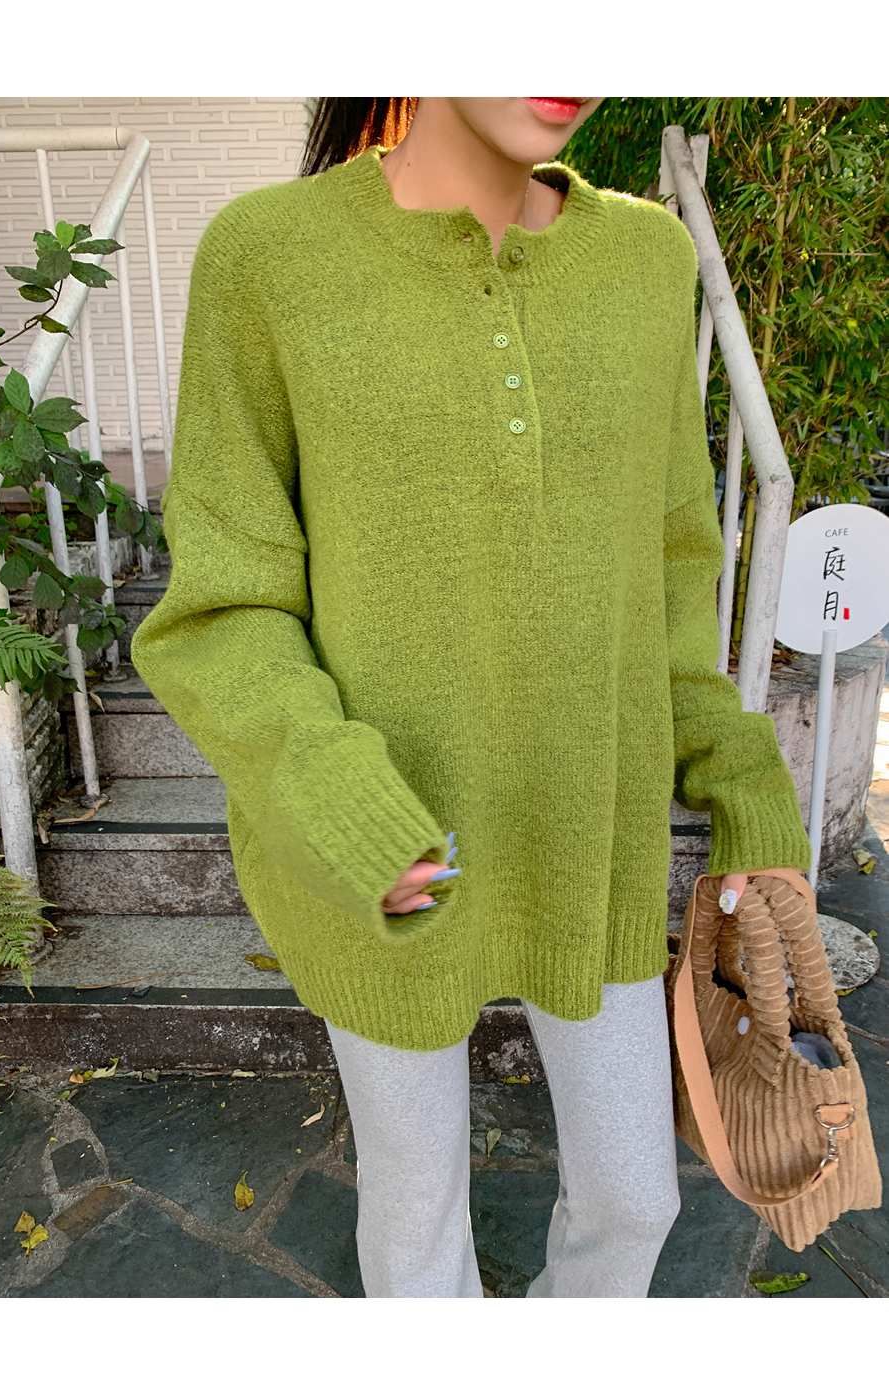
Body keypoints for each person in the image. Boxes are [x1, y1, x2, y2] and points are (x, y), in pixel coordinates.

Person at [131, 97, 813, 1298]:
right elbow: (223, 604)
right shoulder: (268, 257)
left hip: (587, 839)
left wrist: (741, 775)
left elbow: (668, 566)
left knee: (637, 1195)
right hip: (395, 858)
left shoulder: (648, 259)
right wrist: (337, 802)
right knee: (415, 1225)